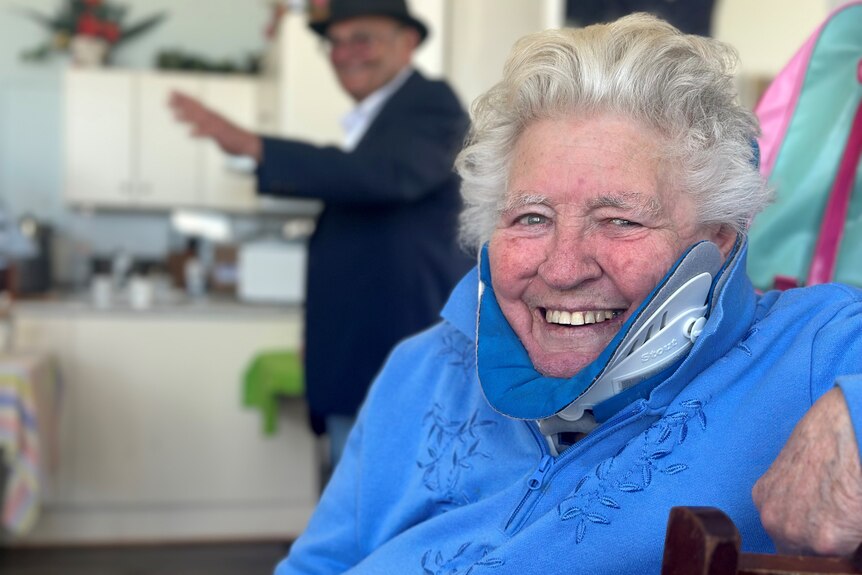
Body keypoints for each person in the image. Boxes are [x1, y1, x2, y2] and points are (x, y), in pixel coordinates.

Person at [271, 13, 862, 574]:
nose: (562, 268)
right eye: (531, 217)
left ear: (717, 238)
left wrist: (851, 416)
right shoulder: (424, 367)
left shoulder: (808, 352)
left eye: (619, 220)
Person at [170, 0, 471, 467]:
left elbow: (382, 176)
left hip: (400, 360)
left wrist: (255, 146)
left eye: (363, 38)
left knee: (382, 516)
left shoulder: (431, 103)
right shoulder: (380, 120)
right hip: (361, 353)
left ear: (407, 42)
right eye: (335, 42)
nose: (346, 53)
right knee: (352, 509)